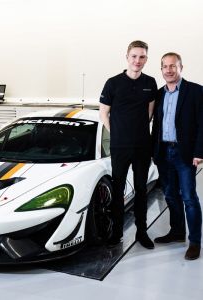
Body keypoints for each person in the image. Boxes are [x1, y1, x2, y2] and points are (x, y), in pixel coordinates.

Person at [99, 40, 157, 249]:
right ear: (127, 57)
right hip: (120, 147)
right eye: (134, 56)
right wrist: (118, 133)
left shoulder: (150, 83)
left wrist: (136, 133)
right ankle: (116, 233)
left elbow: (149, 113)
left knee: (142, 189)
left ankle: (142, 232)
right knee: (118, 188)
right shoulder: (113, 83)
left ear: (146, 60)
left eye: (142, 57)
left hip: (142, 146)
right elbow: (104, 113)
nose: (137, 60)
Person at [152, 52, 203, 260]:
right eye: (165, 66)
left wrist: (199, 152)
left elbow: (202, 124)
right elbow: (155, 125)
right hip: (163, 152)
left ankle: (195, 242)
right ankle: (177, 232)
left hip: (185, 153)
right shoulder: (159, 94)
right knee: (171, 196)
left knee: (189, 198)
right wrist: (152, 152)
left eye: (173, 66)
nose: (169, 70)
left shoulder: (196, 91)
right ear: (161, 69)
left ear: (181, 67)